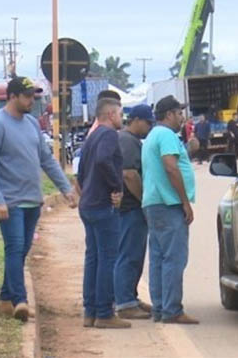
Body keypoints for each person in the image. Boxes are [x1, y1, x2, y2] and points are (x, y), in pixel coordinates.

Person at [0, 77, 76, 322]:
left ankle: (5, 299)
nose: (31, 101)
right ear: (12, 97)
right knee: (14, 248)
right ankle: (20, 300)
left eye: (33, 96)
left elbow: (46, 159)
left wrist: (66, 188)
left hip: (32, 200)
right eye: (27, 96)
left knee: (21, 249)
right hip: (9, 201)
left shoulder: (32, 124)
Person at [141, 95, 199, 324]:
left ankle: (160, 307)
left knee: (159, 257)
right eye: (178, 113)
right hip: (168, 203)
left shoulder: (153, 135)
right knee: (174, 258)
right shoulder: (166, 135)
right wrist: (185, 201)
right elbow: (170, 167)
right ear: (169, 115)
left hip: (154, 203)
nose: (182, 117)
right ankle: (172, 309)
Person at [77, 97, 130, 329]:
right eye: (119, 114)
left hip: (88, 203)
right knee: (108, 258)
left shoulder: (92, 135)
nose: (122, 118)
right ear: (110, 115)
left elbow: (80, 171)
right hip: (102, 205)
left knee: (94, 258)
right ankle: (104, 313)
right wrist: (116, 187)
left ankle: (90, 311)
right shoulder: (109, 135)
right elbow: (103, 160)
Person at [114, 105, 156, 320]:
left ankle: (130, 295)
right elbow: (129, 174)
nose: (150, 127)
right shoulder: (128, 141)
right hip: (131, 207)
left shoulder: (130, 140)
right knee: (129, 255)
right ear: (136, 120)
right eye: (148, 123)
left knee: (134, 254)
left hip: (130, 208)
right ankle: (124, 302)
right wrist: (144, 201)